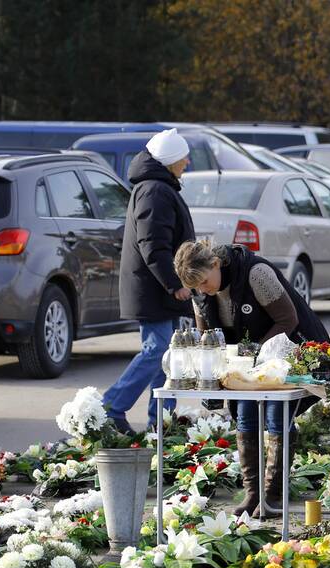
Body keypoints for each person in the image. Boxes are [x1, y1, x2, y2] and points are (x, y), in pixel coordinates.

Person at [174, 240, 330, 517]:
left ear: (215, 264)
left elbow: (287, 319)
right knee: (245, 416)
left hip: (287, 350)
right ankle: (253, 493)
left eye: (205, 282)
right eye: (196, 287)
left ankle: (272, 496)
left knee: (276, 417)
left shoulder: (256, 273)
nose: (203, 290)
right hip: (244, 363)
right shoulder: (201, 292)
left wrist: (252, 354)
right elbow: (207, 338)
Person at [103, 128, 194, 434]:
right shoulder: (155, 190)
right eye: (183, 156)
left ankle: (162, 422)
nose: (188, 162)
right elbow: (154, 246)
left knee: (168, 355)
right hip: (153, 289)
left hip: (156, 288)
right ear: (170, 160)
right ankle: (111, 407)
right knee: (157, 351)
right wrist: (175, 284)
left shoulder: (158, 187)